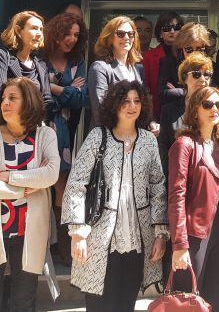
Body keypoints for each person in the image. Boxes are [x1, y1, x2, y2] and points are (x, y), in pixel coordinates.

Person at [62, 80, 168, 311]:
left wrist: (160, 233)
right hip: (99, 238)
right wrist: (78, 233)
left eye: (137, 101)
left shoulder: (149, 141)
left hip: (137, 239)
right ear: (114, 104)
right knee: (99, 304)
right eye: (125, 101)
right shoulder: (97, 137)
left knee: (126, 304)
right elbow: (76, 184)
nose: (132, 106)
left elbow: (159, 187)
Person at [0, 77, 61, 312]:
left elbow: (51, 175)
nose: (5, 103)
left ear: (28, 102)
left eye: (13, 98)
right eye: (3, 99)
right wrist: (29, 187)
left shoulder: (45, 135)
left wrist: (9, 176)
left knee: (24, 302)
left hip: (30, 231)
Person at [169, 86, 219, 312]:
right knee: (189, 299)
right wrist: (179, 244)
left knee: (217, 296)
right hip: (195, 229)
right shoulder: (184, 145)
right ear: (194, 110)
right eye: (207, 105)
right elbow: (176, 196)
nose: (214, 109)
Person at [43, 11, 90, 264]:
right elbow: (34, 90)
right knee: (38, 185)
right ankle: (40, 245)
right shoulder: (40, 58)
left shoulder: (78, 61)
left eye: (76, 35)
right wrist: (68, 90)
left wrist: (53, 87)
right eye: (66, 33)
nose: (71, 39)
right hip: (38, 128)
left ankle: (62, 248)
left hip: (65, 131)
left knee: (62, 182)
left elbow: (83, 99)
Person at [0, 10, 53, 116]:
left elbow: (47, 101)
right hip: (5, 127)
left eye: (41, 29)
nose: (39, 34)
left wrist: (37, 121)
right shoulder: (1, 56)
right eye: (34, 28)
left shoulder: (41, 64)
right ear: (18, 30)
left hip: (33, 128)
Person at [159, 52, 214, 177]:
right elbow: (163, 147)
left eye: (207, 75)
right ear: (184, 78)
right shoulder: (169, 111)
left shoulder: (218, 108)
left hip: (209, 177)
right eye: (196, 74)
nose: (202, 79)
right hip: (178, 177)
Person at [87, 16, 144, 130]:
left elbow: (142, 106)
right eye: (121, 34)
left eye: (130, 34)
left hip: (133, 136)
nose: (126, 37)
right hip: (107, 137)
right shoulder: (100, 68)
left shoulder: (138, 69)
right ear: (109, 38)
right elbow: (100, 111)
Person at [158, 22, 212, 118]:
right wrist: (187, 92)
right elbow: (162, 93)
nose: (194, 53)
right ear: (181, 48)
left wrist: (177, 91)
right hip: (177, 114)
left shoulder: (210, 66)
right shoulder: (168, 63)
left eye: (199, 49)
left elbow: (213, 91)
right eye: (189, 49)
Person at [142, 12, 184, 121]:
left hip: (185, 112)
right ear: (160, 33)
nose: (172, 31)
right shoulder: (148, 57)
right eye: (167, 28)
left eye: (176, 27)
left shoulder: (188, 54)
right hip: (157, 113)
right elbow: (145, 90)